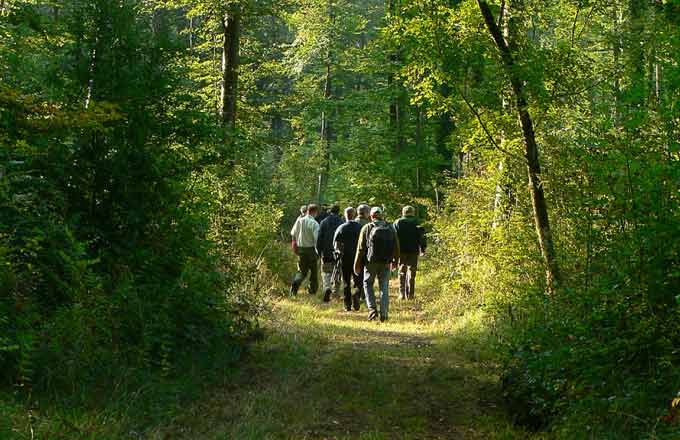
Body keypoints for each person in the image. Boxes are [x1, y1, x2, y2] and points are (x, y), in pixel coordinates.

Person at [354, 206, 400, 322]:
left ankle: (372, 309)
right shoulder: (390, 227)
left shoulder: (367, 227)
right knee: (384, 286)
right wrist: (396, 261)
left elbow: (360, 248)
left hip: (370, 262)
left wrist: (357, 264)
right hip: (386, 262)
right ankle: (384, 313)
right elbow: (396, 246)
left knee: (367, 284)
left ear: (371, 216)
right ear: (381, 215)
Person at [394, 205, 427, 300]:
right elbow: (422, 237)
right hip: (413, 251)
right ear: (413, 212)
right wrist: (423, 249)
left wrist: (393, 251)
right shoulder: (418, 222)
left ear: (403, 212)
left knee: (402, 272)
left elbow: (393, 237)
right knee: (412, 272)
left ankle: (401, 294)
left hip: (401, 251)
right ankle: (411, 294)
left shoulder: (398, 222)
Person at [333, 207, 363, 311]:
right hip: (358, 259)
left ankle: (347, 305)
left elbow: (335, 244)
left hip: (345, 258)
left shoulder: (341, 228)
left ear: (345, 215)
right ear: (354, 215)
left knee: (346, 282)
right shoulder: (360, 227)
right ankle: (356, 295)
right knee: (359, 281)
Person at [290, 204, 320, 296]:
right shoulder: (314, 223)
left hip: (301, 250)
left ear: (307, 211)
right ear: (315, 212)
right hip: (311, 250)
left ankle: (295, 284)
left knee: (302, 271)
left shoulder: (299, 221)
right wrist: (318, 252)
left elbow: (293, 234)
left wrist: (296, 246)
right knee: (314, 272)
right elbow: (317, 239)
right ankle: (312, 290)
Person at [316, 204, 344, 302]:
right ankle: (335, 292)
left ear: (330, 211)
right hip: (338, 252)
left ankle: (327, 287)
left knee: (326, 272)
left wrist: (319, 252)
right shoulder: (342, 222)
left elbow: (319, 239)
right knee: (337, 272)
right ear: (338, 211)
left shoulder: (324, 222)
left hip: (326, 252)